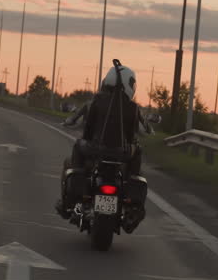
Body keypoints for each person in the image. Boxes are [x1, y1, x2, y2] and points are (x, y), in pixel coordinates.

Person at [55, 60, 152, 218]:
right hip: (122, 154)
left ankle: (68, 201)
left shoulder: (97, 101)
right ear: (130, 85)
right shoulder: (133, 108)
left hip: (96, 150)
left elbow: (88, 130)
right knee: (137, 151)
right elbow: (131, 136)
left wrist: (90, 141)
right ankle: (131, 187)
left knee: (78, 145)